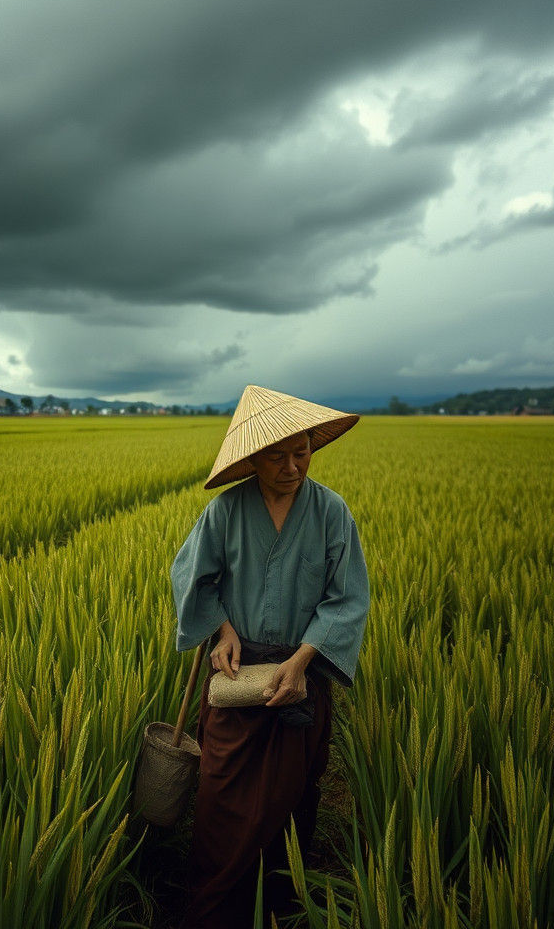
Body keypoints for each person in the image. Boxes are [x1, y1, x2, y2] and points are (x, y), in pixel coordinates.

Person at [170, 384, 370, 929]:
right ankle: (214, 913)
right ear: (252, 459)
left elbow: (347, 597)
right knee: (220, 799)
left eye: (301, 452)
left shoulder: (331, 512)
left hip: (298, 677)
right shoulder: (225, 512)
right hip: (235, 676)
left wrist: (304, 659)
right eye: (277, 456)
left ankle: (278, 909)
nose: (291, 466)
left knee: (289, 802)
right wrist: (223, 629)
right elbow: (192, 577)